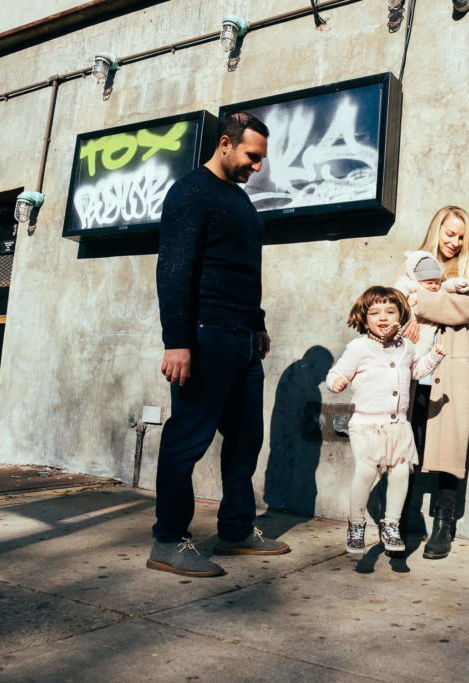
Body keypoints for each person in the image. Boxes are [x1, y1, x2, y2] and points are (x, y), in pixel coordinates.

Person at [149, 111, 289, 578]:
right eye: (253, 156)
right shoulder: (191, 192)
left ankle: (234, 527)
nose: (258, 166)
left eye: (262, 159)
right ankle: (168, 540)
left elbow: (242, 268)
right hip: (206, 336)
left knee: (247, 436)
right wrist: (177, 342)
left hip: (243, 337)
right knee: (188, 437)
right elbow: (174, 270)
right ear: (225, 144)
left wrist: (259, 321)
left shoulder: (239, 200)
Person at [399, 206, 469, 560]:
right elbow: (393, 303)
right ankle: (399, 521)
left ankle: (443, 526)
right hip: (412, 374)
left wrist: (416, 301)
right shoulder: (414, 267)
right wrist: (412, 302)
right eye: (449, 233)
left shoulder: (468, 275)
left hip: (450, 372)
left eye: (460, 237)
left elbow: (462, 310)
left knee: (449, 450)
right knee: (405, 449)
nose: (454, 242)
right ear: (436, 230)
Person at [326, 286, 445, 555]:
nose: (383, 318)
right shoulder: (358, 347)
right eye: (375, 312)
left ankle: (391, 524)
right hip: (366, 424)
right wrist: (336, 383)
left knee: (401, 471)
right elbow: (336, 372)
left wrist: (434, 358)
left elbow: (415, 371)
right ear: (364, 317)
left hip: (398, 425)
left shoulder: (406, 347)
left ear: (401, 315)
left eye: (390, 312)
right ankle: (356, 524)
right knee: (367, 472)